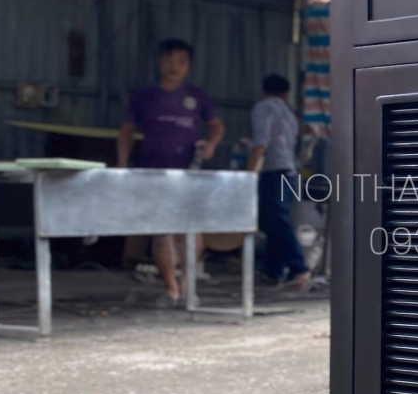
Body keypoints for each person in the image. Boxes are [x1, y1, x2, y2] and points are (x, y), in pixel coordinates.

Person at [116, 39, 225, 303]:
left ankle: (187, 286)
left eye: (181, 62)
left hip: (190, 172)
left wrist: (211, 145)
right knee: (162, 230)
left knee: (191, 230)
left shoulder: (198, 97)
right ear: (159, 62)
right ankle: (171, 289)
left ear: (188, 66)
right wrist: (121, 163)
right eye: (169, 60)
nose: (174, 67)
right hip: (153, 173)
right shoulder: (143, 96)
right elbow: (127, 131)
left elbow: (216, 126)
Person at [247, 74, 311, 289]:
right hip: (289, 172)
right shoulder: (289, 114)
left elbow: (261, 142)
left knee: (273, 221)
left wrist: (248, 174)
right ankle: (273, 271)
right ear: (285, 93)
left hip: (273, 171)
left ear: (264, 91)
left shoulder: (264, 107)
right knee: (275, 220)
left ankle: (299, 268)